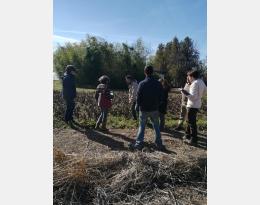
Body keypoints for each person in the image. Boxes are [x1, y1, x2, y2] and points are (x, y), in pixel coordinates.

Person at [130, 65, 166, 151]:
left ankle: (138, 144)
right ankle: (159, 143)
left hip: (144, 109)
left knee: (142, 126)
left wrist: (137, 106)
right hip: (154, 109)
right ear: (152, 72)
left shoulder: (142, 83)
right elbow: (162, 96)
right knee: (156, 127)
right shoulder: (158, 83)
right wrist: (157, 104)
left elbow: (138, 97)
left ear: (145, 72)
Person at [181, 70, 207, 145]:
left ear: (191, 76)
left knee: (191, 123)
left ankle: (193, 140)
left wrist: (184, 92)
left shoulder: (194, 83)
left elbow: (192, 97)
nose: (188, 78)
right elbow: (205, 91)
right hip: (197, 104)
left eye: (188, 76)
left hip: (192, 105)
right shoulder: (201, 82)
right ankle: (188, 136)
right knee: (190, 121)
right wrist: (200, 96)